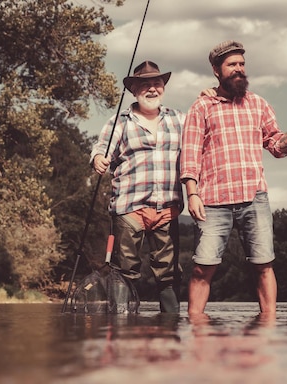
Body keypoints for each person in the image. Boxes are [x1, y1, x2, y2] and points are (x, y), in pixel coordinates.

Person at [180, 40, 287, 315]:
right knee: (201, 267)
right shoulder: (202, 106)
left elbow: (277, 147)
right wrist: (191, 194)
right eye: (232, 65)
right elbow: (190, 154)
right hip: (212, 200)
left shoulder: (259, 104)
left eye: (242, 64)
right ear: (217, 70)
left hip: (254, 198)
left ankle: (268, 325)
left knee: (263, 265)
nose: (239, 69)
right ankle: (196, 327)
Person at [90, 60, 184, 313]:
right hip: (128, 208)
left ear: (163, 87)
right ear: (134, 91)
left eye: (157, 83)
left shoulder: (179, 119)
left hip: (167, 209)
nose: (152, 89)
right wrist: (99, 159)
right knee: (125, 270)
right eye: (145, 85)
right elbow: (101, 149)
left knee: (169, 272)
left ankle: (171, 327)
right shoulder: (119, 121)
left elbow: (200, 143)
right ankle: (120, 325)